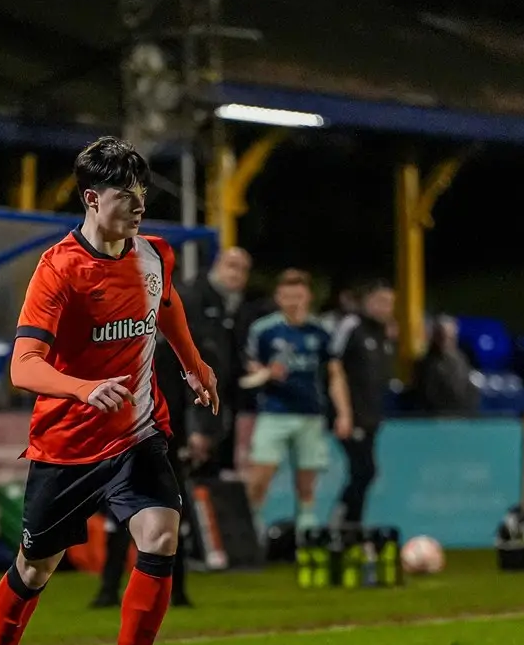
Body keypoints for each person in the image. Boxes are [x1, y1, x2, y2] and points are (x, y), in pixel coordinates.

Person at [0, 136, 218, 645]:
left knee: (161, 535)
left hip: (138, 434)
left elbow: (168, 309)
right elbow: (23, 367)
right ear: (91, 199)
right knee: (34, 569)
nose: (139, 208)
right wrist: (81, 388)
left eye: (143, 198)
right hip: (67, 446)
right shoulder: (58, 270)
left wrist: (192, 363)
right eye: (127, 198)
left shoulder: (154, 255)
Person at [243, 269, 352, 538]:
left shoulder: (321, 331)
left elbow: (335, 374)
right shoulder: (264, 330)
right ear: (279, 298)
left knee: (306, 483)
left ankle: (306, 534)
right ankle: (252, 531)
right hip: (274, 412)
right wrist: (266, 371)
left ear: (308, 298)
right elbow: (250, 367)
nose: (293, 302)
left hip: (310, 415)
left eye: (299, 296)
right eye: (287, 296)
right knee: (260, 477)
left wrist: (344, 413)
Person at [90, 337, 193, 610]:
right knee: (119, 518)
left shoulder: (171, 351)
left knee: (170, 516)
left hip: (163, 440)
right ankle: (109, 589)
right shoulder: (116, 345)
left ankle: (175, 591)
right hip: (123, 441)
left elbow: (184, 397)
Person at [181, 246, 258, 475]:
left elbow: (227, 359)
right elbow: (188, 365)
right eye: (231, 266)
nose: (237, 274)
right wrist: (197, 427)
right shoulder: (191, 298)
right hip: (189, 411)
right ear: (217, 266)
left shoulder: (235, 306)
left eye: (243, 269)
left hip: (218, 409)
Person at [329, 280, 397, 528]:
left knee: (365, 472)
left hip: (371, 416)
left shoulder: (384, 334)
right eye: (379, 301)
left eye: (389, 303)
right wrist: (343, 412)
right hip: (352, 414)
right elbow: (334, 365)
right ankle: (344, 520)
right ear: (367, 301)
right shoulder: (352, 326)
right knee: (364, 469)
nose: (384, 307)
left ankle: (352, 523)